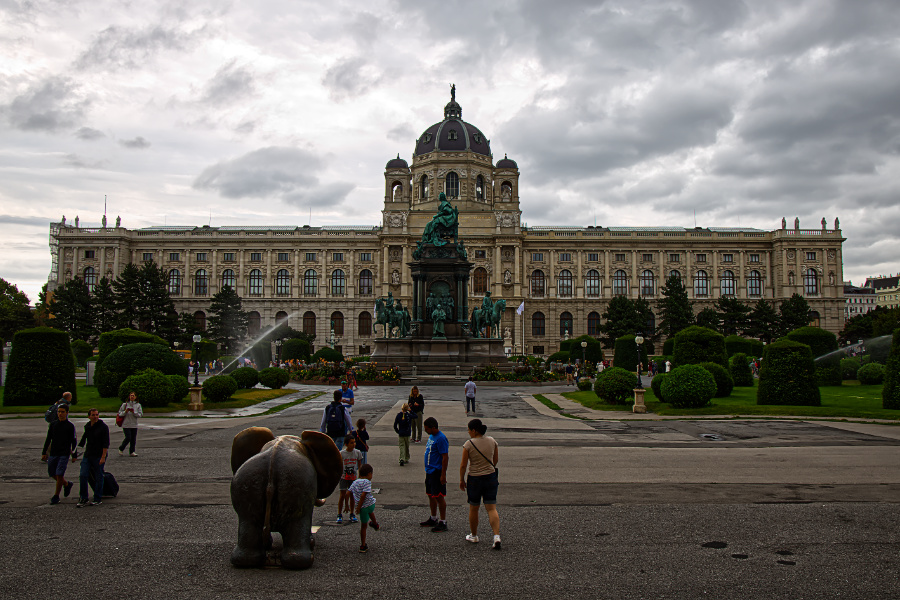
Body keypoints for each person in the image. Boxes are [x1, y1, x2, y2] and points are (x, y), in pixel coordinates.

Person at [459, 418, 501, 550]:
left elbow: (463, 465)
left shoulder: (468, 444)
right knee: (491, 508)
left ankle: (474, 535)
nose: (468, 432)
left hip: (475, 478)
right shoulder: (492, 441)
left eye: (469, 430)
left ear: (474, 430)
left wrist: (461, 479)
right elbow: (495, 460)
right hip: (490, 477)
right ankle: (496, 536)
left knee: (474, 508)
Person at [41, 404, 76, 504]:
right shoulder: (53, 425)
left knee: (59, 474)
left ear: (67, 413)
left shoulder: (70, 426)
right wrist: (44, 452)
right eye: (59, 412)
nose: (60, 414)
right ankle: (66, 484)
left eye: (62, 412)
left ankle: (56, 496)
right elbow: (48, 439)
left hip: (64, 453)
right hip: (54, 452)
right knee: (52, 473)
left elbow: (73, 441)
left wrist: (74, 454)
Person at [420, 417, 449, 532]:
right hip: (429, 471)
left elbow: (445, 457)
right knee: (431, 494)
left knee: (439, 496)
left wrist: (443, 474)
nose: (425, 431)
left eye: (427, 429)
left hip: (437, 471)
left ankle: (443, 521)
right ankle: (433, 517)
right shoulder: (431, 436)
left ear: (433, 428)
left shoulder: (441, 438)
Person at [76, 408, 109, 507]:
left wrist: (103, 457)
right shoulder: (88, 426)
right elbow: (84, 439)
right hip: (88, 454)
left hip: (99, 455)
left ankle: (97, 498)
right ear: (89, 416)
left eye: (97, 415)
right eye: (93, 415)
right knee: (83, 475)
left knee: (98, 476)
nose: (95, 417)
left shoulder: (103, 427)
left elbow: (106, 443)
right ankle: (83, 497)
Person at [349, 464, 380, 553]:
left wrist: (349, 505)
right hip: (370, 504)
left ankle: (363, 545)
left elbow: (348, 492)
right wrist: (359, 506)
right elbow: (364, 495)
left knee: (363, 526)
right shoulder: (367, 482)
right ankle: (375, 524)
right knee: (371, 512)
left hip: (363, 508)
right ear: (369, 473)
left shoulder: (355, 482)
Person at [337, 436, 362, 524]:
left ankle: (352, 513)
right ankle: (339, 514)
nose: (354, 444)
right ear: (346, 444)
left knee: (352, 495)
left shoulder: (357, 453)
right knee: (342, 495)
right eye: (351, 443)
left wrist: (360, 476)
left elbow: (359, 465)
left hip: (353, 477)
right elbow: (339, 465)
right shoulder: (342, 454)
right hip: (343, 477)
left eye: (354, 442)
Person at [117, 391, 143, 457]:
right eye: (131, 395)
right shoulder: (124, 404)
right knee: (128, 437)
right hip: (126, 424)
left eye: (133, 396)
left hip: (134, 424)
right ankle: (121, 448)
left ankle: (132, 451)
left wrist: (134, 412)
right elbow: (120, 414)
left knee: (133, 439)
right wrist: (125, 411)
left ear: (135, 397)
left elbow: (140, 415)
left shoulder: (138, 405)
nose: (132, 397)